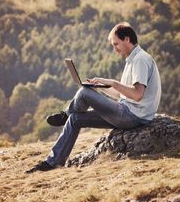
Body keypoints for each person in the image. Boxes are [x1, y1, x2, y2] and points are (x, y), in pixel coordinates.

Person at [26, 22, 161, 173]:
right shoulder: (132, 60)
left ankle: (65, 114)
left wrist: (113, 82)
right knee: (75, 118)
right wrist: (99, 87)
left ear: (127, 39)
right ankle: (52, 163)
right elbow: (123, 95)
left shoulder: (140, 59)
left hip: (134, 116)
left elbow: (137, 94)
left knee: (84, 93)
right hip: (128, 112)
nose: (114, 48)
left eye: (116, 44)